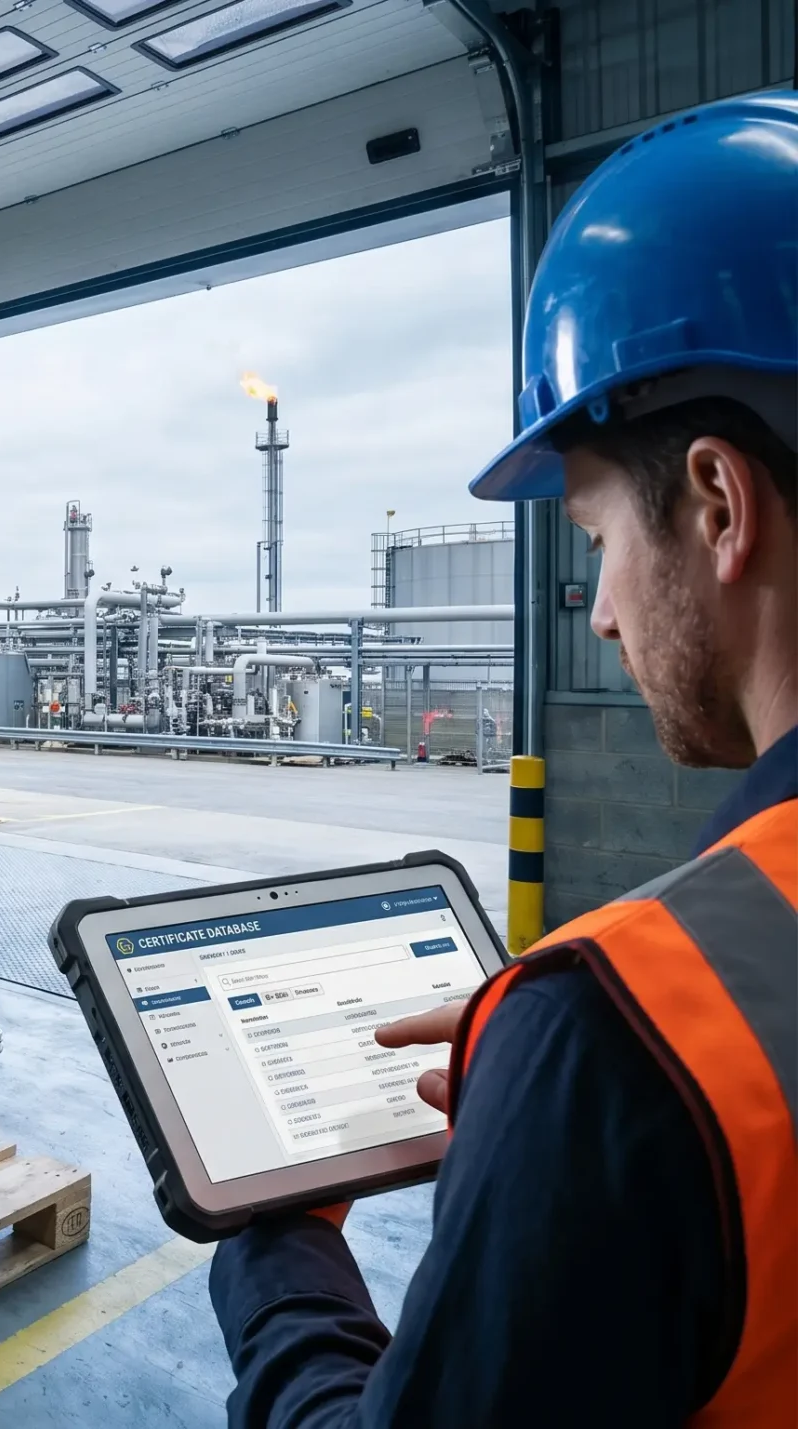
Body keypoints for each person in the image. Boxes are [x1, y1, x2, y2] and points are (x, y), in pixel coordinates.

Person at [208, 93, 797, 1426]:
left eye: (594, 537)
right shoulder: (614, 1038)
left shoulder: (617, 1036)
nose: (598, 609)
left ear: (716, 502)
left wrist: (276, 1246)